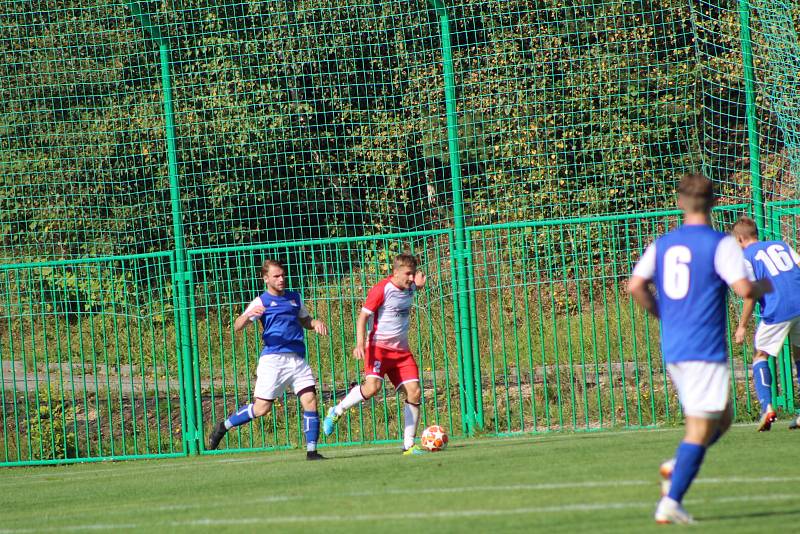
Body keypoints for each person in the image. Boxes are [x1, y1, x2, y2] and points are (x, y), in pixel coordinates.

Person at [628, 174, 772, 524]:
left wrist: (662, 313)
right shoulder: (718, 244)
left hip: (675, 346)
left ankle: (678, 465)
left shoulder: (662, 243)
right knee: (699, 428)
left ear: (680, 203)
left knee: (722, 418)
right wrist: (767, 283)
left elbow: (635, 286)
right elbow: (743, 290)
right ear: (714, 202)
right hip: (703, 348)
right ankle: (671, 501)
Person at [206, 259, 329, 460]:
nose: (281, 279)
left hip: (297, 359)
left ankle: (312, 451)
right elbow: (237, 325)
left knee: (310, 400)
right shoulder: (261, 301)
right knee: (261, 408)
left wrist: (314, 322)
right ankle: (223, 426)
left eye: (283, 275)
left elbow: (304, 320)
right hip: (274, 360)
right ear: (266, 279)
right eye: (276, 276)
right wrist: (248, 316)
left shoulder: (294, 298)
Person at [323, 253, 427, 455]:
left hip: (402, 352)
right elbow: (363, 317)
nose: (411, 278)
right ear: (395, 272)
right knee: (372, 388)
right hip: (378, 348)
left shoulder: (410, 286)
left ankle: (408, 445)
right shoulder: (382, 289)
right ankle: (336, 411)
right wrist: (360, 343)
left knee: (414, 391)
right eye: (408, 274)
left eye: (413, 274)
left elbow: (415, 283)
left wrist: (419, 283)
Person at [731, 216, 800, 431]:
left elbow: (750, 294)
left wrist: (742, 325)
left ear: (741, 239)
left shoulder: (746, 257)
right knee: (799, 354)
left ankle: (766, 407)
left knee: (760, 355)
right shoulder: (781, 244)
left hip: (777, 310)